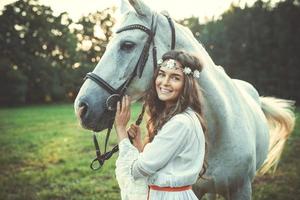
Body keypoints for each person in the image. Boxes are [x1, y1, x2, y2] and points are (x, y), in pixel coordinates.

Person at [114, 50, 208, 200]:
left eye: (175, 78)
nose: (164, 82)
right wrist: (138, 144)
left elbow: (136, 170)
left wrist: (120, 129)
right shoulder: (182, 117)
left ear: (186, 84)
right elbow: (160, 165)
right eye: (162, 74)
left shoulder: (180, 123)